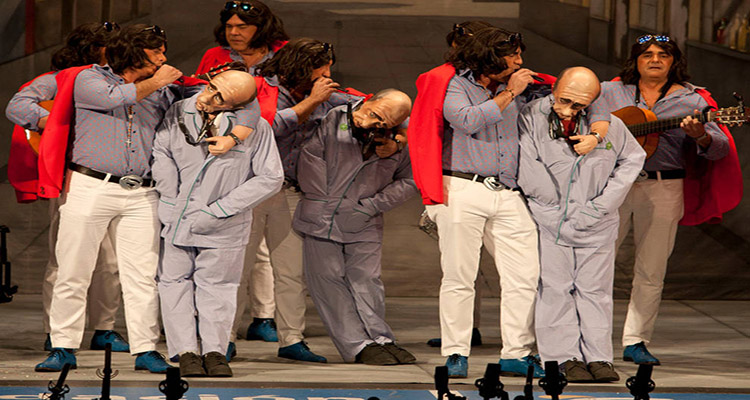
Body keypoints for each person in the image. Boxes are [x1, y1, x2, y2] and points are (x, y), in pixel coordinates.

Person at [34, 23, 256, 373]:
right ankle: (63, 346)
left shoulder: (164, 87)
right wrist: (158, 81)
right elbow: (114, 98)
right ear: (135, 53)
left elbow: (241, 101)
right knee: (73, 270)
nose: (164, 59)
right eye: (157, 53)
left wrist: (238, 130)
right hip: (90, 186)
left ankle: (145, 348)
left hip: (143, 192)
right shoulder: (89, 79)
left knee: (142, 276)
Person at [591, 35, 741, 365]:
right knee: (595, 263)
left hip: (664, 186)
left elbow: (720, 148)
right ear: (636, 60)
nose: (655, 59)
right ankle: (590, 337)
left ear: (674, 62)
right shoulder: (608, 91)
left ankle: (636, 340)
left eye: (663, 54)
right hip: (613, 186)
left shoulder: (692, 100)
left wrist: (700, 136)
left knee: (651, 268)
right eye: (647, 54)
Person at [233, 37, 376, 363]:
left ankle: (292, 339)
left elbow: (367, 105)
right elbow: (263, 128)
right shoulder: (259, 87)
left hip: (293, 192)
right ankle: (222, 339)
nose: (327, 76)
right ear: (299, 68)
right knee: (237, 270)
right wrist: (312, 102)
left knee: (291, 273)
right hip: (250, 191)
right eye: (321, 70)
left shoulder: (325, 95)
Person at [5, 22, 130, 354]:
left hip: (112, 180)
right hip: (73, 179)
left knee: (110, 261)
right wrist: (56, 123)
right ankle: (55, 331)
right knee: (65, 260)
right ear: (94, 49)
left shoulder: (121, 79)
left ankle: (104, 328)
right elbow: (17, 105)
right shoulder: (61, 78)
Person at [518, 67, 645, 382]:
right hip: (549, 220)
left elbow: (633, 159)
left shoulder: (609, 125)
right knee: (554, 288)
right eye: (564, 101)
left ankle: (598, 357)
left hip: (597, 223)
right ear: (555, 89)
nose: (568, 110)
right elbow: (527, 165)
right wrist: (551, 207)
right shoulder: (530, 116)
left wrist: (599, 207)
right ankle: (562, 358)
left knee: (595, 290)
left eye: (578, 105)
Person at [153, 70, 283, 377]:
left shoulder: (256, 128)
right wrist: (169, 199)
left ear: (237, 105)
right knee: (173, 284)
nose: (207, 97)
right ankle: (186, 351)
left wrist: (221, 210)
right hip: (177, 217)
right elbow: (162, 152)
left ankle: (214, 351)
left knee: (219, 288)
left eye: (219, 97)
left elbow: (270, 177)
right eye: (210, 87)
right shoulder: (178, 112)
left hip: (224, 224)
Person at [292, 89, 417, 365]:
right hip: (320, 217)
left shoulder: (397, 140)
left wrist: (371, 206)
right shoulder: (336, 118)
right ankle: (357, 344)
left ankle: (380, 338)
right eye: (373, 113)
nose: (369, 122)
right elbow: (310, 158)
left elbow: (410, 180)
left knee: (368, 281)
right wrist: (323, 201)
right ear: (370, 100)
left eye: (381, 122)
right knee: (329, 282)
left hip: (364, 220)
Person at [196, 0, 290, 349]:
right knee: (236, 248)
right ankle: (222, 330)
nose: (234, 33)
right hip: (225, 161)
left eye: (242, 27)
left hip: (272, 156)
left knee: (264, 249)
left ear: (261, 28)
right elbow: (200, 98)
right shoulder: (214, 56)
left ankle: (264, 317)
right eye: (229, 26)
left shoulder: (283, 55)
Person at [424, 20, 493, 350]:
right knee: (460, 268)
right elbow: (428, 131)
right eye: (456, 44)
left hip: (500, 184)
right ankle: (464, 333)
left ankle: (518, 343)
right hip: (456, 179)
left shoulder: (501, 76)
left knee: (517, 274)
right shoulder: (443, 79)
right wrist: (432, 187)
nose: (459, 51)